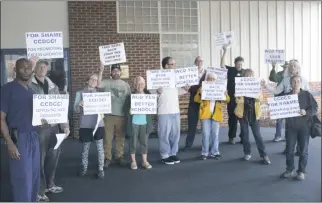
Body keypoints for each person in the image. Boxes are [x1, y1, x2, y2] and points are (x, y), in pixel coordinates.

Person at [0, 58, 42, 202]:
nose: (26, 70)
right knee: (21, 178)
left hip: (34, 137)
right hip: (19, 139)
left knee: (35, 176)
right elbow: (1, 119)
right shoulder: (7, 89)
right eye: (23, 67)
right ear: (15, 70)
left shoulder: (32, 91)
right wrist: (10, 143)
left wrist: (44, 123)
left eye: (29, 68)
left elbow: (35, 118)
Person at [30, 60, 70, 202]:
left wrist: (65, 125)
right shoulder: (29, 85)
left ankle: (49, 184)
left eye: (44, 66)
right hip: (38, 128)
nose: (42, 68)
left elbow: (60, 107)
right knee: (39, 159)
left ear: (47, 69)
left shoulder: (53, 86)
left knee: (53, 156)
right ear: (34, 68)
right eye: (39, 66)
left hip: (53, 127)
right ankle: (40, 190)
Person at [262, 60, 309, 155]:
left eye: (294, 66)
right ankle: (288, 148)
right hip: (289, 109)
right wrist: (265, 86)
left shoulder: (303, 79)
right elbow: (276, 91)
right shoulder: (285, 79)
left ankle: (300, 150)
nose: (292, 67)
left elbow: (309, 92)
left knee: (300, 130)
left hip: (300, 109)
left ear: (298, 68)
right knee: (289, 130)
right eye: (291, 66)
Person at [280, 75, 317, 180]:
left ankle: (301, 171)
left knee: (303, 150)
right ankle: (289, 169)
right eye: (293, 82)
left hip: (304, 127)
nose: (295, 84)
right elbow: (280, 109)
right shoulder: (286, 96)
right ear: (290, 84)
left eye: (297, 81)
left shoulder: (306, 95)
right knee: (290, 150)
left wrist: (306, 112)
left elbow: (315, 108)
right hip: (291, 127)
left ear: (301, 83)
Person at [155, 57, 189, 164]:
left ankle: (173, 153)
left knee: (175, 134)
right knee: (164, 134)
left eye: (174, 64)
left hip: (175, 110)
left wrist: (185, 88)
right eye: (172, 64)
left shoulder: (175, 79)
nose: (174, 66)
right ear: (165, 66)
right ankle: (165, 155)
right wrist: (157, 91)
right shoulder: (157, 77)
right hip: (164, 111)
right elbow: (152, 92)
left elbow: (177, 91)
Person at [235, 69, 271, 164]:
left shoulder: (256, 86)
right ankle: (247, 153)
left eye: (250, 76)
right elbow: (237, 100)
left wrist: (258, 91)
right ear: (244, 77)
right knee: (245, 134)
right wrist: (241, 95)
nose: (248, 77)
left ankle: (264, 155)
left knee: (257, 135)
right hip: (242, 113)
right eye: (246, 75)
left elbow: (261, 98)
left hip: (254, 113)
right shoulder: (239, 86)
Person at [98, 63, 131, 167]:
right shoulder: (106, 82)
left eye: (117, 70)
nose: (116, 72)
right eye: (114, 71)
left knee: (120, 137)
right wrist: (101, 71)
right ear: (111, 72)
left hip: (122, 115)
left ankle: (119, 156)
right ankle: (107, 158)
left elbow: (129, 100)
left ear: (120, 72)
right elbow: (98, 85)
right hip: (108, 115)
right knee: (107, 138)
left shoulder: (126, 85)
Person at [73, 73, 105, 179]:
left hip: (98, 124)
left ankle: (101, 169)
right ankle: (84, 168)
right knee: (85, 149)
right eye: (91, 79)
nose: (93, 81)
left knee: (100, 148)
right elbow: (75, 110)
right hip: (85, 125)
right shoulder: (80, 93)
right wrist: (79, 105)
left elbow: (105, 109)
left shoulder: (100, 94)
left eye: (96, 80)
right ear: (87, 81)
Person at [193, 72, 230, 160]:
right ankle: (204, 152)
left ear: (216, 80)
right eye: (210, 79)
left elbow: (227, 101)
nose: (212, 80)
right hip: (205, 114)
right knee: (205, 134)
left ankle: (215, 152)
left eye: (213, 79)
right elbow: (196, 99)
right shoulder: (202, 88)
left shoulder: (220, 88)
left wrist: (226, 94)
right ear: (207, 79)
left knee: (215, 134)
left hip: (216, 115)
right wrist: (200, 93)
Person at [126, 76, 153, 170]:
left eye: (141, 83)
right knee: (132, 143)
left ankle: (144, 161)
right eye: (137, 84)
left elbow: (153, 107)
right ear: (134, 85)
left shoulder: (149, 96)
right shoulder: (130, 96)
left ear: (144, 84)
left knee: (144, 143)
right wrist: (129, 111)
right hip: (134, 122)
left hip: (145, 122)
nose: (139, 85)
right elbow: (125, 109)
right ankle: (133, 161)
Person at [220, 44, 244, 144]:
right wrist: (225, 51)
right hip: (231, 99)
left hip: (242, 100)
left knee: (243, 119)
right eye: (238, 64)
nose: (239, 66)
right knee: (232, 119)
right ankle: (232, 137)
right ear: (235, 64)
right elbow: (222, 65)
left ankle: (244, 137)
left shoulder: (245, 72)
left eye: (241, 64)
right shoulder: (231, 70)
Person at [182, 56, 207, 151]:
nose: (200, 62)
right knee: (191, 125)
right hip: (193, 102)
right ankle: (188, 145)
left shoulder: (208, 73)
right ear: (195, 63)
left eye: (201, 60)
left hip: (205, 103)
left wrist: (193, 89)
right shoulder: (189, 74)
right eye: (198, 61)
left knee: (205, 126)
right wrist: (187, 88)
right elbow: (187, 88)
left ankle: (205, 145)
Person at [268, 61, 288, 142]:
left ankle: (287, 136)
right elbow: (272, 78)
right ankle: (278, 135)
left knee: (289, 119)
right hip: (279, 96)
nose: (285, 68)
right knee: (279, 118)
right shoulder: (279, 74)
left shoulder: (292, 75)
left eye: (286, 67)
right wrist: (273, 67)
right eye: (284, 67)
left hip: (288, 97)